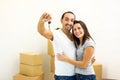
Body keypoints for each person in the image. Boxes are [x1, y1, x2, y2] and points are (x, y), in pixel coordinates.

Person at [38, 11, 76, 80]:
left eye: (72, 20)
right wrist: (41, 21)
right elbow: (42, 31)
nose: (69, 23)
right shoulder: (55, 34)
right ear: (61, 20)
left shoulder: (75, 36)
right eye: (66, 19)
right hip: (62, 76)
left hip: (75, 75)